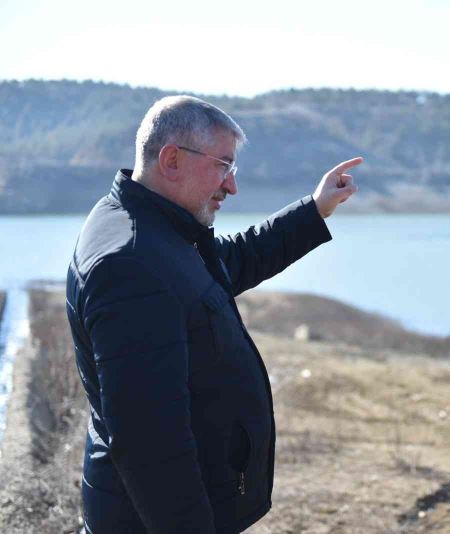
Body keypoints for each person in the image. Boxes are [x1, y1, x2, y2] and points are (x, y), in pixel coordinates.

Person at [66, 95, 361, 533]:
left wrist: (314, 209)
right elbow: (151, 446)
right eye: (223, 166)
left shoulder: (158, 230)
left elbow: (230, 264)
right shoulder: (132, 264)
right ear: (171, 159)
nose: (232, 185)